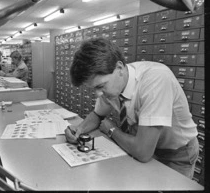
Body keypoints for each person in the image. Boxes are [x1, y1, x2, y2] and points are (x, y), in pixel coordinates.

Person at [65, 37, 199, 179]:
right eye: (94, 89)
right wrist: (79, 129)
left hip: (176, 154)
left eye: (100, 86)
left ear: (120, 68)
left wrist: (111, 130)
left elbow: (142, 152)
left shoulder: (155, 80)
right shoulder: (113, 84)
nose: (98, 94)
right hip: (143, 147)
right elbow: (97, 115)